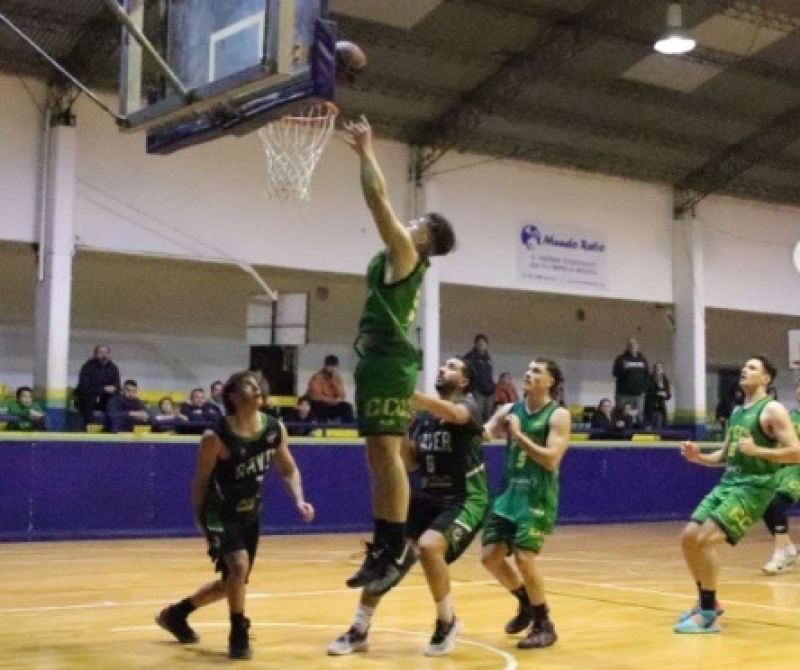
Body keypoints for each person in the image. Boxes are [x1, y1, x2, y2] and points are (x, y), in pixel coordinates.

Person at [344, 115, 457, 596]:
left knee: (387, 453)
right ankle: (386, 545)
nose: (407, 225)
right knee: (377, 455)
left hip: (390, 359)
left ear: (426, 238)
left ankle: (391, 546)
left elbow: (377, 201)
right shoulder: (399, 258)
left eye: (417, 224)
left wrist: (367, 151)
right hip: (376, 360)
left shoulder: (408, 254)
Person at [328, 356, 487, 657]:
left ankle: (447, 622)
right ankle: (359, 628)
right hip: (427, 497)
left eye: (451, 367)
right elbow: (412, 461)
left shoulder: (470, 406)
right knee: (387, 554)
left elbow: (454, 414)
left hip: (464, 498)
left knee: (428, 547)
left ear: (464, 381)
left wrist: (409, 394)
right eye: (442, 366)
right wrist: (398, 427)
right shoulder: (425, 421)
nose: (443, 369)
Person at [155, 371, 314, 660]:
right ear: (233, 396)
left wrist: (300, 499)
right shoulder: (216, 436)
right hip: (220, 511)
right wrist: (200, 520)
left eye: (258, 387)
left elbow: (289, 469)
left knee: (234, 580)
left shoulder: (274, 429)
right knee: (238, 568)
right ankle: (238, 633)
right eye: (248, 387)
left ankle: (176, 615)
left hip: (250, 512)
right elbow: (201, 481)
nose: (255, 391)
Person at [676, 355, 800, 634]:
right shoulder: (736, 412)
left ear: (766, 379)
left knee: (705, 540)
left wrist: (759, 452)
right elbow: (725, 454)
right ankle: (708, 601)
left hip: (755, 487)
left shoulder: (773, 410)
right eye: (743, 366)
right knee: (687, 539)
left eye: (752, 367)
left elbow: (796, 452)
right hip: (729, 483)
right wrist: (699, 458)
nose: (744, 369)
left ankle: (707, 614)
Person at [481, 358, 571, 650]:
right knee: (490, 557)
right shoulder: (509, 409)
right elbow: (484, 431)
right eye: (528, 369)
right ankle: (525, 602)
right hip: (508, 493)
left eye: (536, 372)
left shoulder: (558, 415)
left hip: (537, 496)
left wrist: (518, 436)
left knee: (523, 558)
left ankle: (545, 623)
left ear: (550, 382)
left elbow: (551, 459)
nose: (528, 374)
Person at [760, 376, 800, 575]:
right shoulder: (789, 416)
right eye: (799, 386)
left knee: (776, 504)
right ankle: (789, 549)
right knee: (765, 505)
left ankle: (780, 555)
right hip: (783, 469)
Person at [74, 345, 121, 428]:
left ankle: (112, 429)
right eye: (101, 352)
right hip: (88, 399)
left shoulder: (113, 368)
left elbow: (117, 386)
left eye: (106, 353)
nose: (104, 355)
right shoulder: (87, 367)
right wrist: (103, 389)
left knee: (115, 401)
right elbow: (84, 388)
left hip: (105, 399)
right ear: (95, 354)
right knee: (88, 399)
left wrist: (113, 389)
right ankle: (89, 429)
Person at [306, 355, 354, 422]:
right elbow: (315, 396)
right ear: (325, 366)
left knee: (347, 407)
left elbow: (342, 395)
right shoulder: (317, 377)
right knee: (320, 406)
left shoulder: (337, 378)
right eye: (330, 366)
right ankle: (322, 427)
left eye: (334, 366)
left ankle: (346, 429)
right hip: (320, 403)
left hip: (333, 403)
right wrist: (330, 400)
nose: (332, 368)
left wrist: (334, 383)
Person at [463, 334, 495, 421]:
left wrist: (492, 386)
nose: (481, 344)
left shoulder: (488, 358)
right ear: (475, 344)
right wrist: (469, 389)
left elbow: (490, 374)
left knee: (489, 415)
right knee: (478, 414)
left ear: (486, 345)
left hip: (489, 391)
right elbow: (466, 374)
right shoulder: (469, 358)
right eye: (479, 342)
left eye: (483, 342)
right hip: (477, 390)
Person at [612, 338, 648, 412]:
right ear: (627, 346)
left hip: (638, 395)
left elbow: (646, 376)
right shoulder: (621, 359)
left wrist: (644, 390)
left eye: (634, 344)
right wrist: (623, 369)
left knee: (638, 417)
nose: (632, 346)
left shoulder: (643, 360)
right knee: (622, 415)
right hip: (623, 394)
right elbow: (615, 373)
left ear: (638, 346)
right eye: (630, 344)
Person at [644, 361, 671, 429]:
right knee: (650, 425)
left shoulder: (665, 380)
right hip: (650, 406)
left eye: (660, 368)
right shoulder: (649, 379)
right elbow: (646, 392)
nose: (658, 370)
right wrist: (657, 393)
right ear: (653, 369)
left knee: (662, 424)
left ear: (662, 370)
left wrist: (665, 394)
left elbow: (668, 395)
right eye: (656, 368)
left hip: (661, 407)